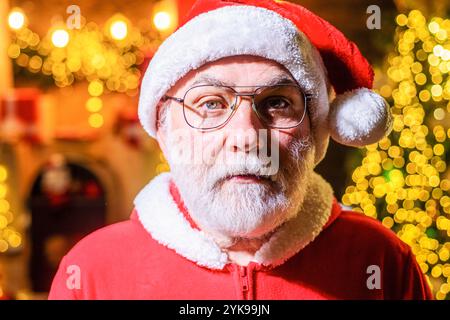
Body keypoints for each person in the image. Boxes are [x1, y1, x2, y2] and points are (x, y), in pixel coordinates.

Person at [49, 0, 432, 299]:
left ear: (316, 132)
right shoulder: (92, 273)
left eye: (278, 103)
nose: (247, 136)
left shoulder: (382, 261)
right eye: (211, 103)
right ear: (163, 130)